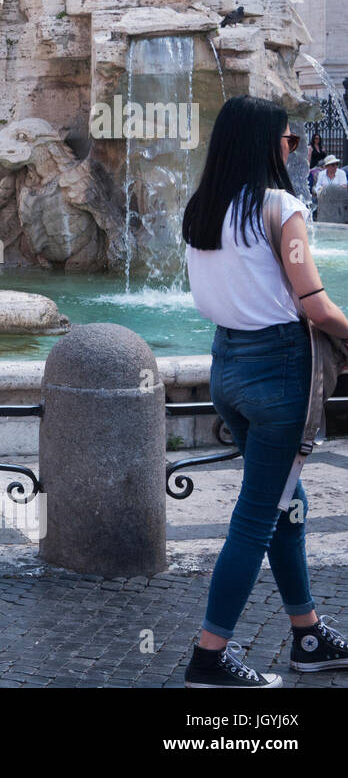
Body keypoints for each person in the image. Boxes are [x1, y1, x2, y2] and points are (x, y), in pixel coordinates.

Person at [182, 95, 348, 687]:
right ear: (265, 145)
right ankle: (209, 657)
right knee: (255, 519)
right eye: (288, 140)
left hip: (227, 366)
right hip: (279, 372)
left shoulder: (202, 207)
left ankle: (307, 634)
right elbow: (315, 305)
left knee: (286, 508)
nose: (294, 149)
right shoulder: (280, 207)